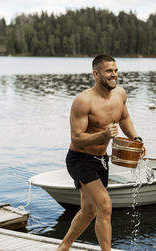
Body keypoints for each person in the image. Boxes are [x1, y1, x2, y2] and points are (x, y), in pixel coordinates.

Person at [57, 54, 145, 251]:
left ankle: (63, 247)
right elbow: (76, 138)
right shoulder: (83, 101)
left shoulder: (120, 94)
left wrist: (136, 140)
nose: (114, 75)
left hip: (102, 160)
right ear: (96, 74)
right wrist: (103, 134)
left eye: (115, 71)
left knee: (88, 211)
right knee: (105, 206)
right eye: (108, 71)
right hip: (80, 159)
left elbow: (124, 118)